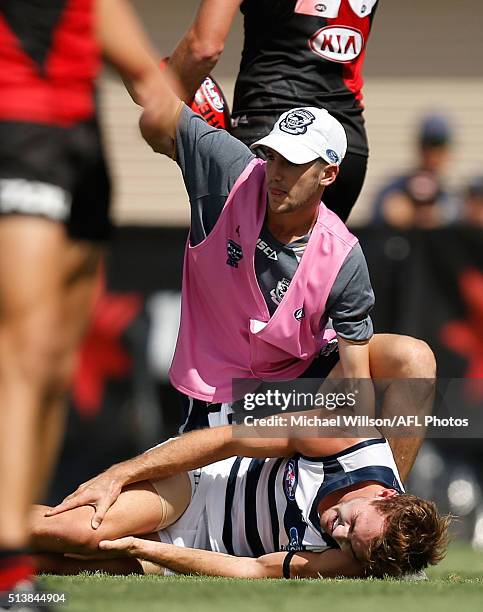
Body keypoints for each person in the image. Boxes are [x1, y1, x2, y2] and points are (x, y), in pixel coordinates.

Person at [0, 0, 169, 595]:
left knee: (49, 364)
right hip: (16, 120)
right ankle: (8, 566)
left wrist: (161, 87)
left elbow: (122, 43)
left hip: (80, 141)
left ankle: (13, 567)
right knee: (21, 354)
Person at [31, 422, 450, 579]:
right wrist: (121, 474)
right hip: (194, 490)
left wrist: (149, 551)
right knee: (77, 534)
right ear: (386, 496)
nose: (336, 532)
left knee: (55, 567)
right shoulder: (346, 443)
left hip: (187, 553)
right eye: (351, 523)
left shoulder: (355, 557)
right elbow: (228, 439)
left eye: (347, 543)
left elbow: (250, 569)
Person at [169, 0, 380, 221]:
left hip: (272, 133)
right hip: (347, 143)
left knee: (233, 253)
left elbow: (203, 49)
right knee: (318, 254)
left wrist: (162, 101)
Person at [371, 114, 458, 228]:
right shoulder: (396, 189)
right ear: (420, 148)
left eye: (439, 148)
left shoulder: (449, 196)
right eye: (429, 147)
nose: (433, 155)